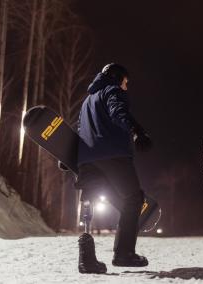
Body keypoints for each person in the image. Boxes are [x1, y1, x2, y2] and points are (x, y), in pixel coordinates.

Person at [76, 63, 152, 273]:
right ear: (118, 77)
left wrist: (71, 158)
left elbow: (80, 129)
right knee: (134, 198)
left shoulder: (87, 101)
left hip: (87, 159)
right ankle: (124, 253)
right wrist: (137, 130)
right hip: (112, 154)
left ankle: (87, 260)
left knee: (90, 200)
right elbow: (118, 111)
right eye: (126, 82)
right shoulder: (112, 90)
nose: (126, 87)